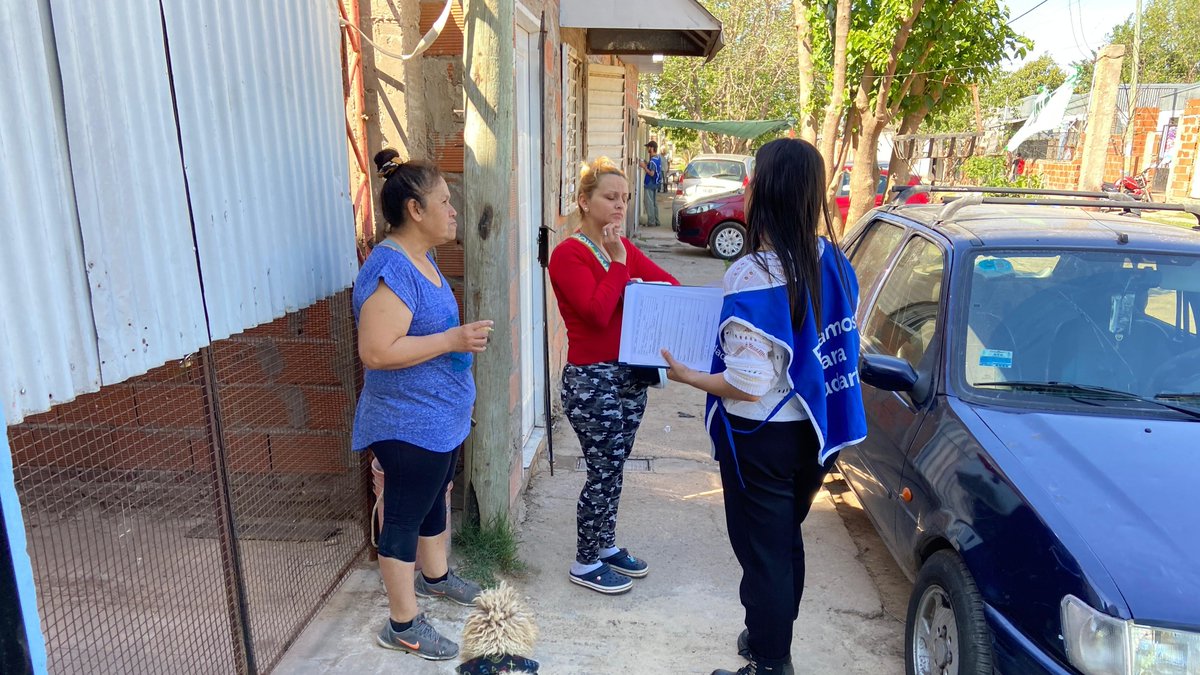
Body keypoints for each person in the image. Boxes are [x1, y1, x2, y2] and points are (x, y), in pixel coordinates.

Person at [660, 138, 867, 675]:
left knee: (763, 555)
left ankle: (772, 663)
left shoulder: (753, 273)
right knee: (782, 541)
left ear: (766, 193)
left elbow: (748, 383)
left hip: (760, 439)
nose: (746, 189)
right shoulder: (835, 262)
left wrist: (688, 376)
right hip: (813, 434)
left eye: (752, 180)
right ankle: (765, 639)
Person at [352, 148, 493, 661]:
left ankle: (436, 578)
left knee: (435, 499)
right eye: (443, 201)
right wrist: (453, 340)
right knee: (404, 518)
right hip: (406, 423)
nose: (452, 210)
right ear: (415, 210)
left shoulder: (421, 257)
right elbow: (376, 350)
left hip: (438, 418)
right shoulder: (393, 268)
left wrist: (454, 342)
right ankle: (403, 624)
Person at [548, 156, 680, 594]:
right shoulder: (568, 254)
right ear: (584, 202)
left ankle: (605, 546)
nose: (620, 205)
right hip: (591, 380)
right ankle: (585, 561)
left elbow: (671, 288)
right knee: (603, 469)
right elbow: (597, 314)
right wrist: (622, 267)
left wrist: (638, 283)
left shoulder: (624, 250)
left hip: (628, 376)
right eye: (610, 197)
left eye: (624, 198)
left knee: (616, 466)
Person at [639, 140, 664, 226]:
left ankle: (651, 222)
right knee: (654, 203)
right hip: (656, 184)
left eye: (648, 147)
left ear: (652, 148)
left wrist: (644, 167)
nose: (647, 149)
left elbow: (652, 173)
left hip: (650, 183)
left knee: (649, 203)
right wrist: (647, 163)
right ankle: (656, 221)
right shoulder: (658, 158)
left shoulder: (653, 160)